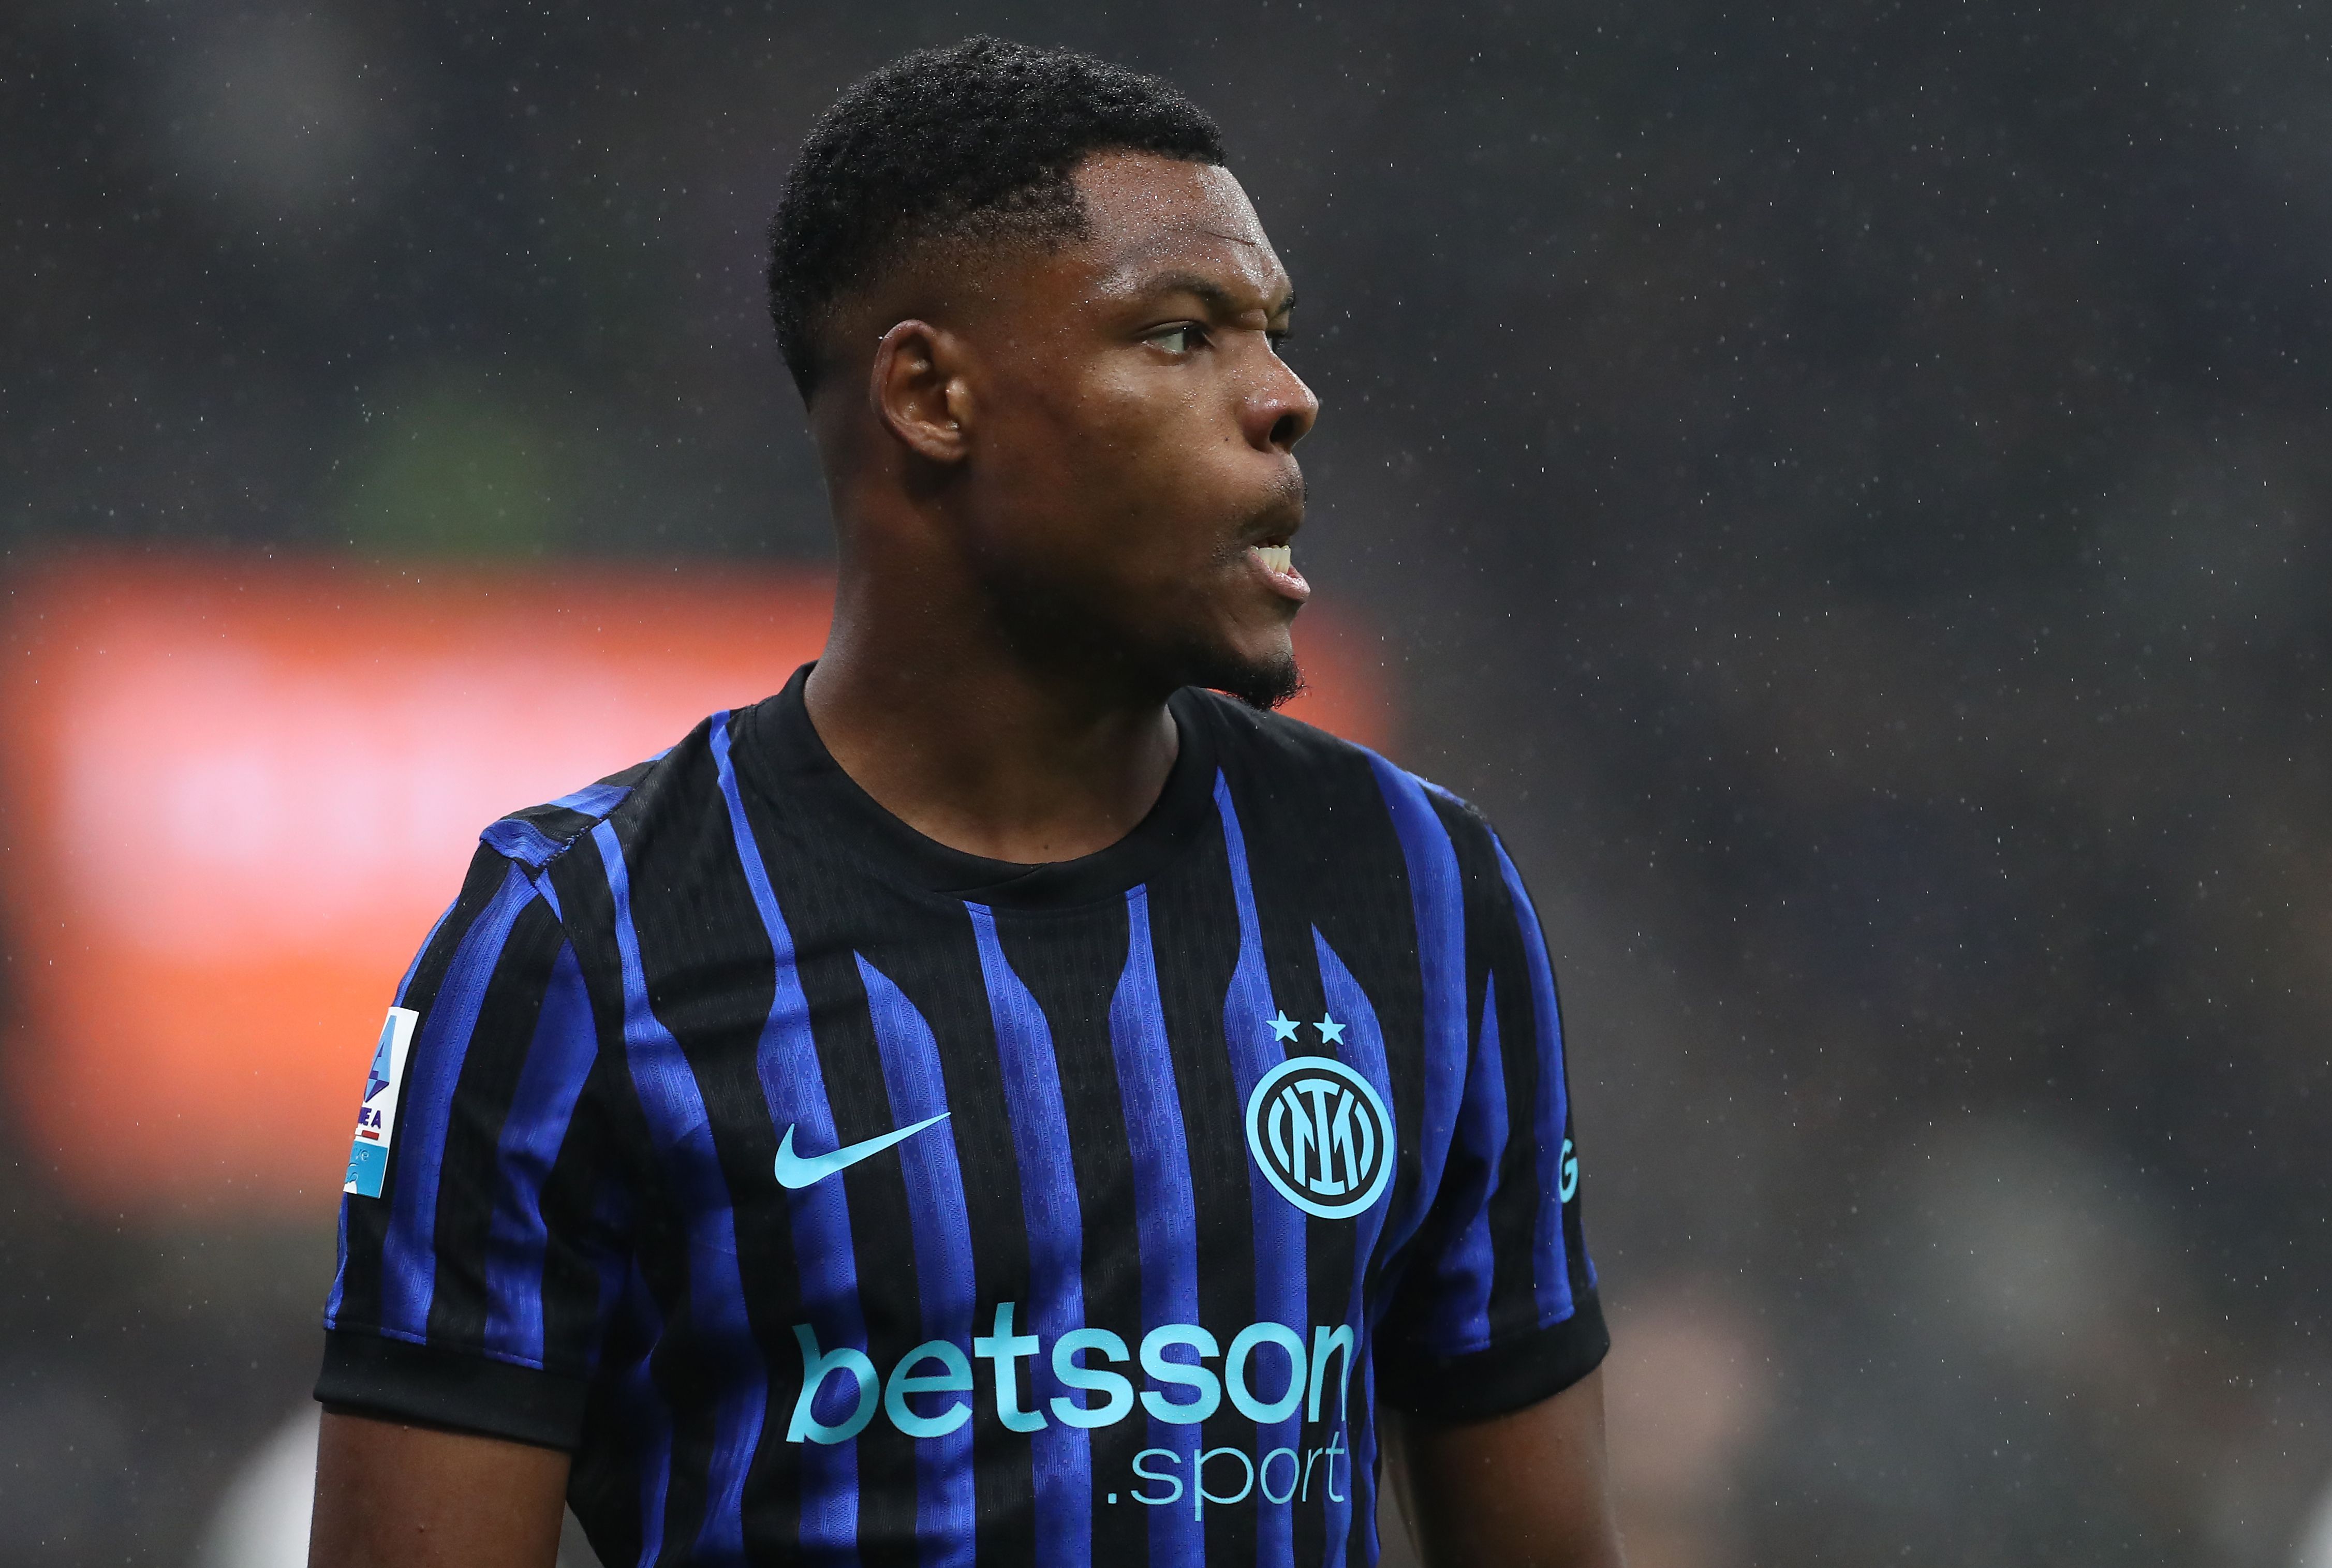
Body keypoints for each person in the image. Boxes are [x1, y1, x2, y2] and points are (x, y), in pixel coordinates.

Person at [308, 37, 1619, 1568]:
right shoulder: (584, 943)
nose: (1285, 399)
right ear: (932, 395)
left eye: (1272, 335)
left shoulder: (1416, 886)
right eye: (1182, 334)